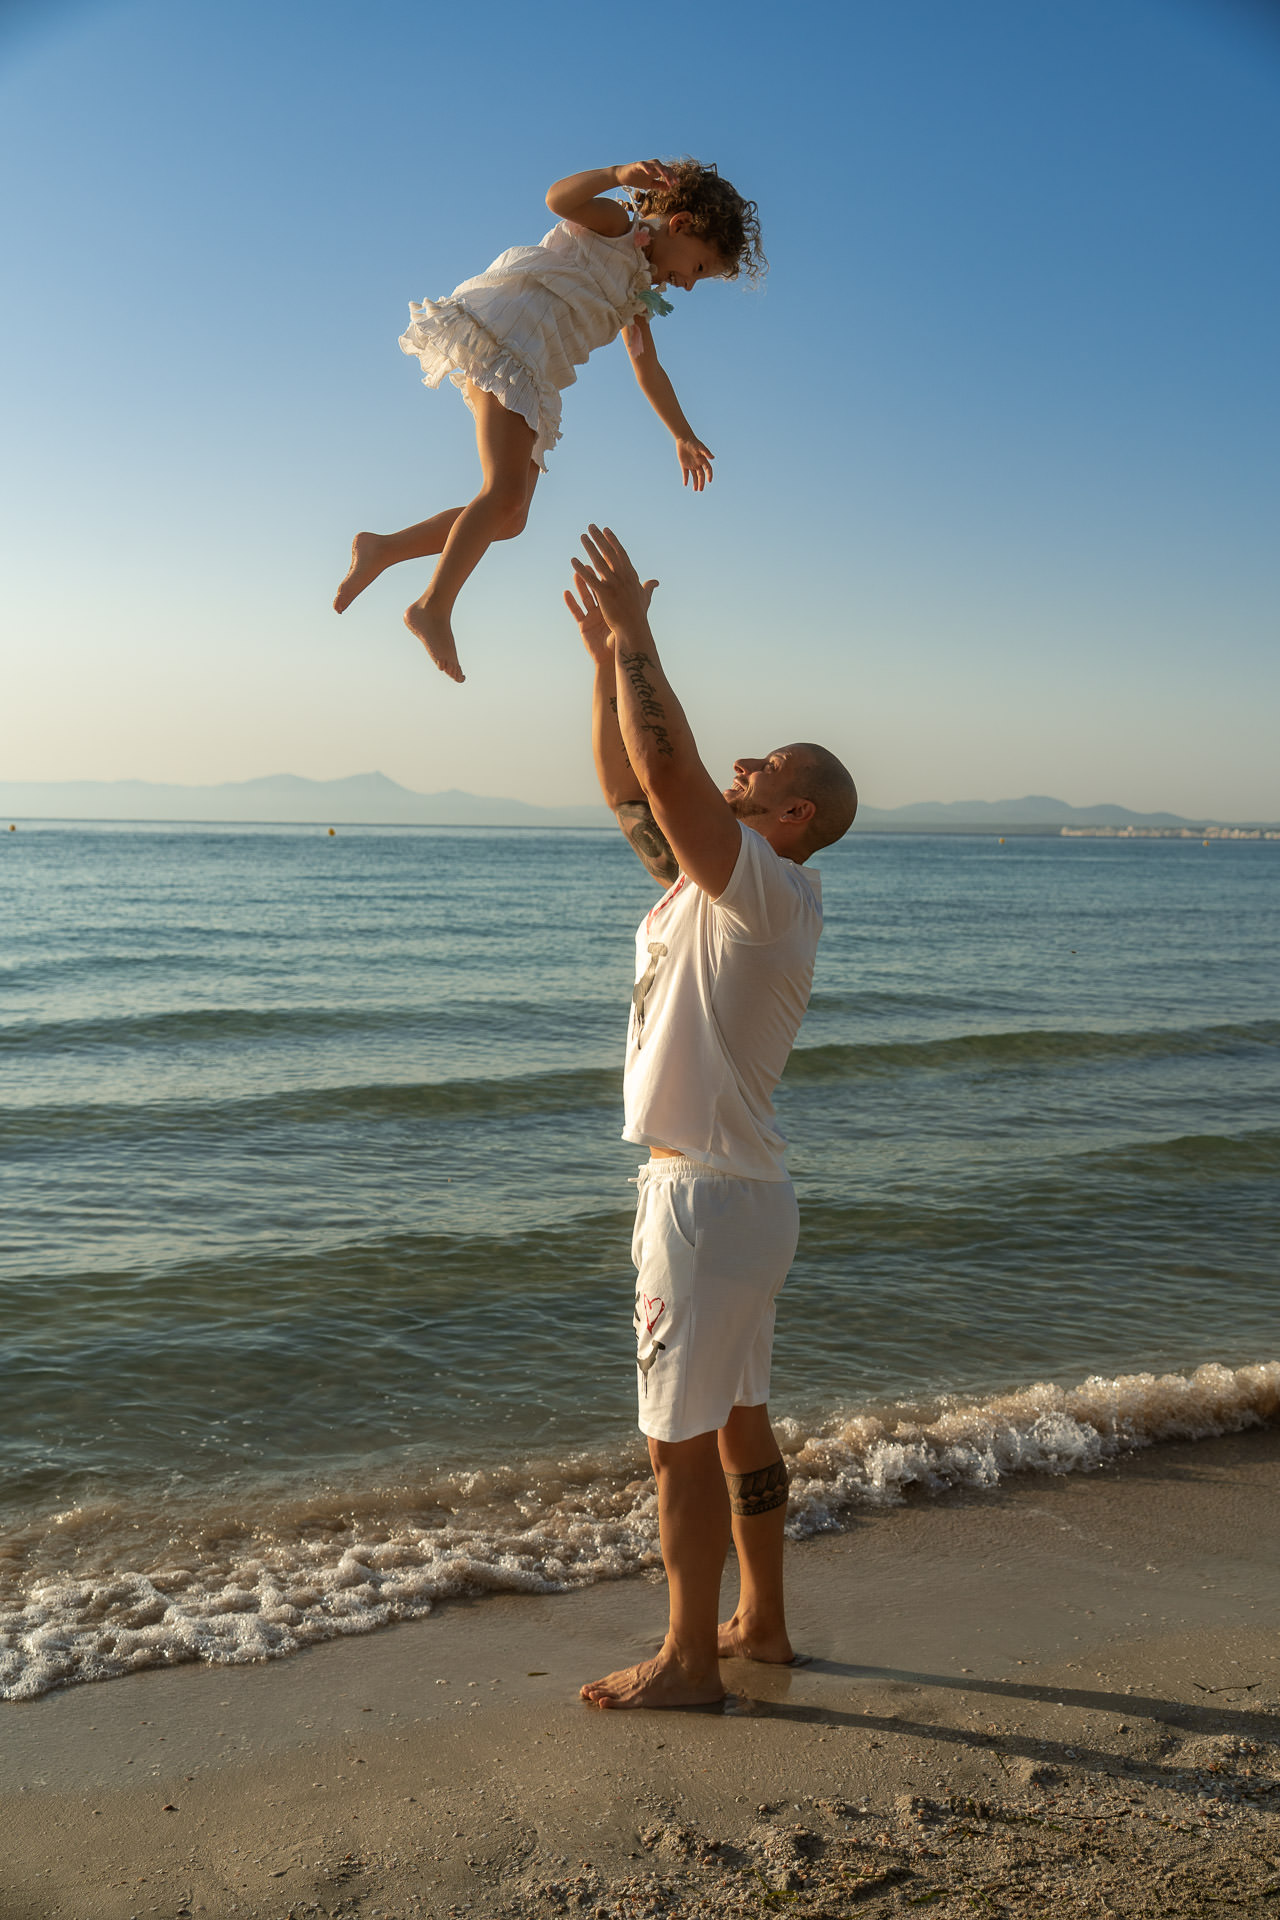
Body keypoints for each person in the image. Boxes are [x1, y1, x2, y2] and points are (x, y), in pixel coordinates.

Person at [564, 526, 858, 1710]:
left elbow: (674, 776)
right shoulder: (713, 888)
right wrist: (604, 665)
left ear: (788, 816)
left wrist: (642, 635)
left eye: (762, 770)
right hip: (739, 1197)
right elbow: (634, 794)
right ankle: (763, 1626)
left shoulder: (767, 892)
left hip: (701, 1204)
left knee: (674, 1443)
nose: (738, 766)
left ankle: (688, 1662)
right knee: (737, 1422)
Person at [333, 158, 765, 685]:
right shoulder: (615, 230)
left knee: (511, 518)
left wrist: (682, 433)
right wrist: (616, 174)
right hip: (507, 342)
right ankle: (432, 606)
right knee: (502, 494)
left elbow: (647, 366)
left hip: (533, 373)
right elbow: (559, 200)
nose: (692, 286)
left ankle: (383, 548)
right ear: (678, 226)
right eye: (699, 269)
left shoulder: (637, 297)